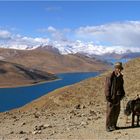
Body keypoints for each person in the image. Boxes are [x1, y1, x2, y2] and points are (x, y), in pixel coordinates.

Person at [105, 62, 125, 132]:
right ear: (115, 68)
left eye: (120, 69)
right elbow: (107, 87)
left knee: (117, 111)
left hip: (118, 97)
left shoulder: (120, 77)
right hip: (111, 97)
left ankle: (113, 125)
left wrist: (123, 94)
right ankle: (108, 126)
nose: (119, 70)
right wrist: (108, 97)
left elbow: (121, 87)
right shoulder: (110, 76)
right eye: (118, 68)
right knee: (110, 112)